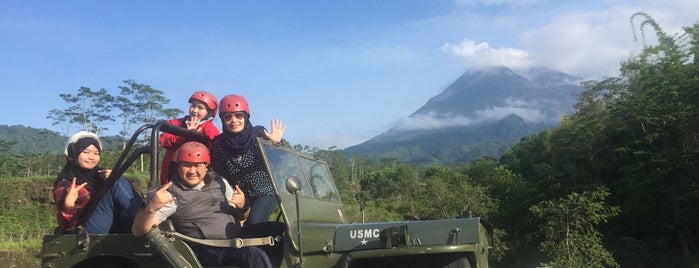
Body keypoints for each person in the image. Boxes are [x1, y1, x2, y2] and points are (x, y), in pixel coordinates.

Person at [132, 141, 282, 268]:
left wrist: (243, 206)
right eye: (186, 165)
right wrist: (152, 207)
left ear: (206, 166)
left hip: (237, 237)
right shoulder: (170, 194)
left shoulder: (219, 181)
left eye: (197, 165)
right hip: (209, 248)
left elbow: (243, 215)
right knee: (252, 255)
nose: (192, 171)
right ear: (178, 166)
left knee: (281, 230)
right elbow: (138, 231)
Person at [210, 94, 286, 225]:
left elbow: (279, 162)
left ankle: (281, 236)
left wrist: (275, 145)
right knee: (223, 224)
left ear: (246, 117)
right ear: (223, 120)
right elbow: (219, 173)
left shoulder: (259, 134)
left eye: (238, 115)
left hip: (265, 191)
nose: (233, 120)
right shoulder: (219, 144)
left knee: (254, 222)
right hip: (239, 194)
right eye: (228, 117)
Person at [53, 131, 143, 234]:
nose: (91, 157)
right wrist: (69, 205)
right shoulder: (65, 184)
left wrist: (113, 178)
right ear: (74, 154)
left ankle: (150, 219)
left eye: (96, 153)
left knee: (116, 178)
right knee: (116, 180)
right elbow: (66, 227)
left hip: (109, 223)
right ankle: (145, 216)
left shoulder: (100, 176)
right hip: (81, 232)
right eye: (86, 152)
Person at [159, 90, 220, 184]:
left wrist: (194, 136)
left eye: (200, 108)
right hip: (172, 171)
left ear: (209, 112)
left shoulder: (208, 127)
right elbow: (164, 140)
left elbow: (215, 144)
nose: (195, 110)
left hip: (195, 174)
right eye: (193, 106)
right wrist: (186, 135)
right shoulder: (177, 123)